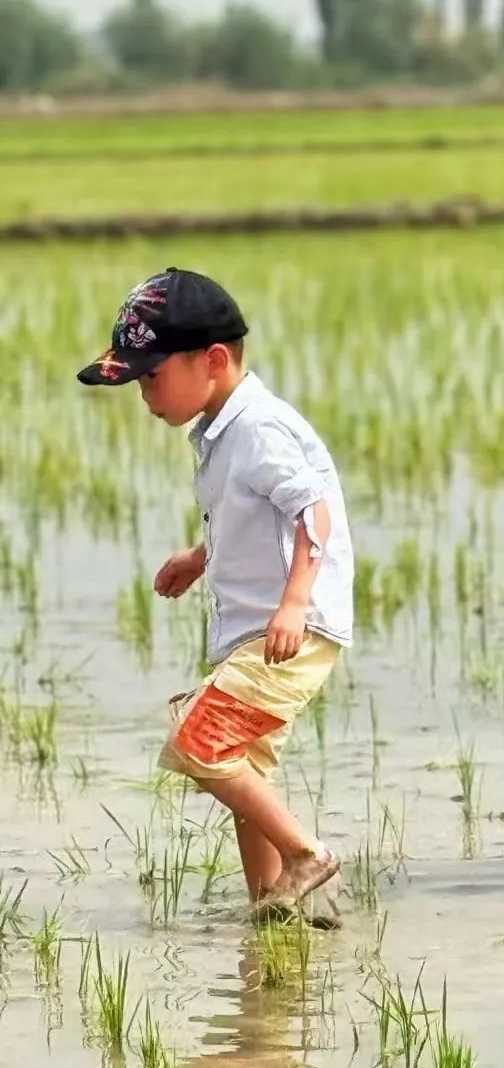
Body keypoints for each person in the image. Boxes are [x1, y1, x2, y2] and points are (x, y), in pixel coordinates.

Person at [77, 268, 353, 914]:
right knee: (241, 762)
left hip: (291, 626)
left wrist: (293, 602)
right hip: (262, 624)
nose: (145, 394)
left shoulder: (257, 429)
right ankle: (271, 904)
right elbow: (256, 512)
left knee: (198, 742)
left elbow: (313, 510)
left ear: (215, 359)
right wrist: (202, 557)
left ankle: (306, 854)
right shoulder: (223, 429)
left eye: (151, 375)